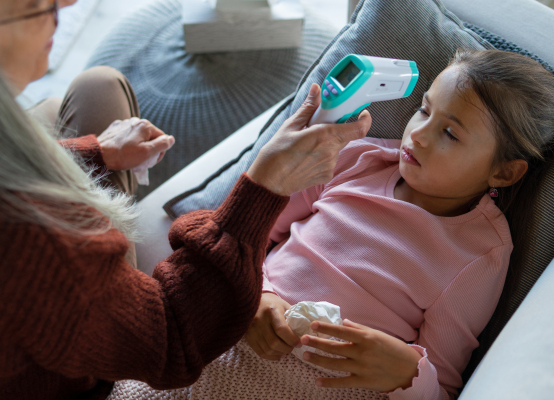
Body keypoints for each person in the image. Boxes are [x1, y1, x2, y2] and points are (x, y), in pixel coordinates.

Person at [106, 49, 554, 400]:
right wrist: (256, 295)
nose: (418, 134)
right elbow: (248, 231)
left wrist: (405, 369)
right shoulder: (356, 160)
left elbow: (441, 384)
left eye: (449, 133)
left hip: (321, 379)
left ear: (504, 172)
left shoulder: (479, 254)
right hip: (244, 322)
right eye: (424, 109)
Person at [0, 1, 373, 399]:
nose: (68, 3)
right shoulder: (34, 240)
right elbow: (174, 341)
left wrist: (90, 153)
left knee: (97, 87)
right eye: (36, 5)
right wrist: (266, 186)